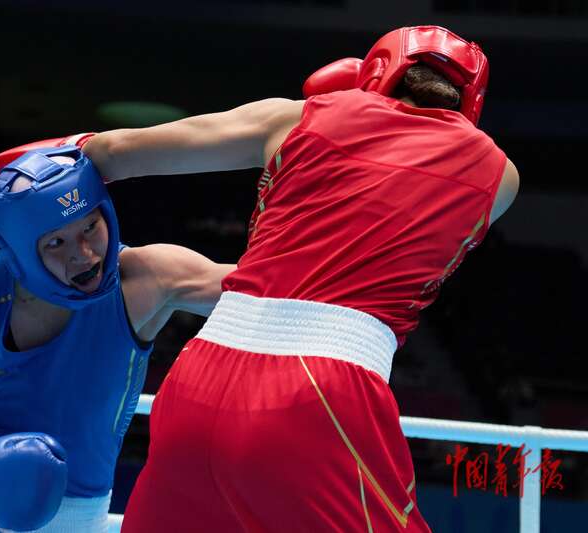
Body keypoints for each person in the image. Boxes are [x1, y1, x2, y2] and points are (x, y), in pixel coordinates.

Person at [83, 26, 519, 532]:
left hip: (196, 376)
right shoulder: (500, 175)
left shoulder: (296, 117)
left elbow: (114, 151)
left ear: (377, 71)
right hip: (321, 390)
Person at [0, 133, 234, 532]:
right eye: (56, 242)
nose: (84, 254)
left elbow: (268, 289)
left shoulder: (146, 279)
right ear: (20, 251)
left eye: (90, 227)